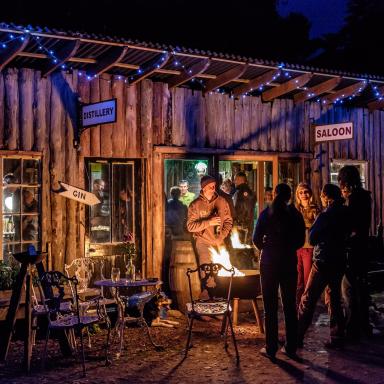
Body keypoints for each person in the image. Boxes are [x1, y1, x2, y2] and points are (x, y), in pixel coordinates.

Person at [253, 183, 305, 360]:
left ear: (274, 194)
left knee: (270, 306)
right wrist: (288, 247)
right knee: (290, 305)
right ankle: (290, 347)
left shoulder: (266, 214)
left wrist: (266, 247)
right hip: (289, 261)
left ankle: (271, 347)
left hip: (268, 262)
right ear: (290, 196)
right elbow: (300, 240)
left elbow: (255, 238)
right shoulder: (295, 215)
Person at [297, 184, 351, 349]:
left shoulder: (325, 215)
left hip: (323, 260)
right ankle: (337, 336)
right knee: (333, 298)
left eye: (322, 196)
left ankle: (296, 336)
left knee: (308, 298)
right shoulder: (345, 212)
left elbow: (312, 239)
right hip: (339, 260)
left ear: (326, 197)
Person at [338, 165, 373, 340]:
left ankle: (352, 329)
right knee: (361, 287)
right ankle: (364, 325)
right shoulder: (366, 197)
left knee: (349, 289)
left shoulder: (353, 199)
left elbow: (350, 225)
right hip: (363, 247)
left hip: (352, 249)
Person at [187, 175, 233, 266]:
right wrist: (209, 222)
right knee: (207, 272)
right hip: (203, 243)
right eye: (210, 186)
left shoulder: (222, 202)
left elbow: (228, 221)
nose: (213, 188)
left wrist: (222, 235)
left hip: (219, 243)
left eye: (214, 185)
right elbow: (190, 227)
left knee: (223, 272)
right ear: (204, 188)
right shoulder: (195, 205)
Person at [295, 183, 320, 308]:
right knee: (297, 279)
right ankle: (297, 304)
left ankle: (307, 306)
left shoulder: (315, 209)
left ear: (309, 193)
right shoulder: (295, 209)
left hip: (308, 248)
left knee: (307, 279)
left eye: (306, 192)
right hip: (296, 248)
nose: (304, 195)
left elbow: (318, 227)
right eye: (301, 192)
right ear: (297, 195)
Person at [232, 172, 256, 244]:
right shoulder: (249, 191)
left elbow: (244, 209)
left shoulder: (241, 192)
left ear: (240, 179)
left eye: (235, 179)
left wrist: (239, 223)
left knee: (242, 248)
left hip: (242, 225)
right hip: (246, 225)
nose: (234, 182)